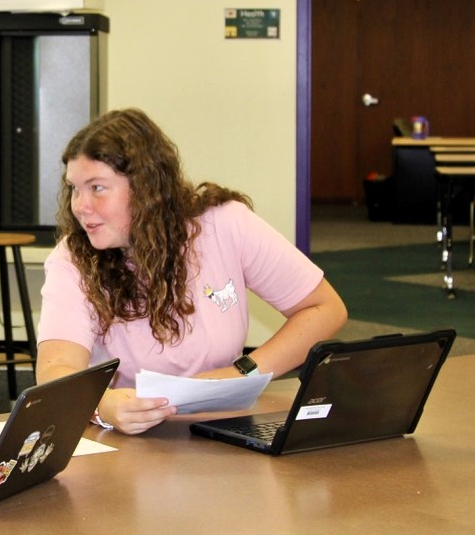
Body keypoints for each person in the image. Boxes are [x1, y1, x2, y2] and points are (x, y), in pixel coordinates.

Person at [36, 108, 348, 435]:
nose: (80, 205)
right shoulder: (73, 257)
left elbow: (325, 308)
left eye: (97, 188)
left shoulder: (225, 223)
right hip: (131, 439)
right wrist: (104, 405)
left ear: (145, 186)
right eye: (74, 188)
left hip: (225, 427)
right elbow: (56, 368)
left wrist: (244, 371)